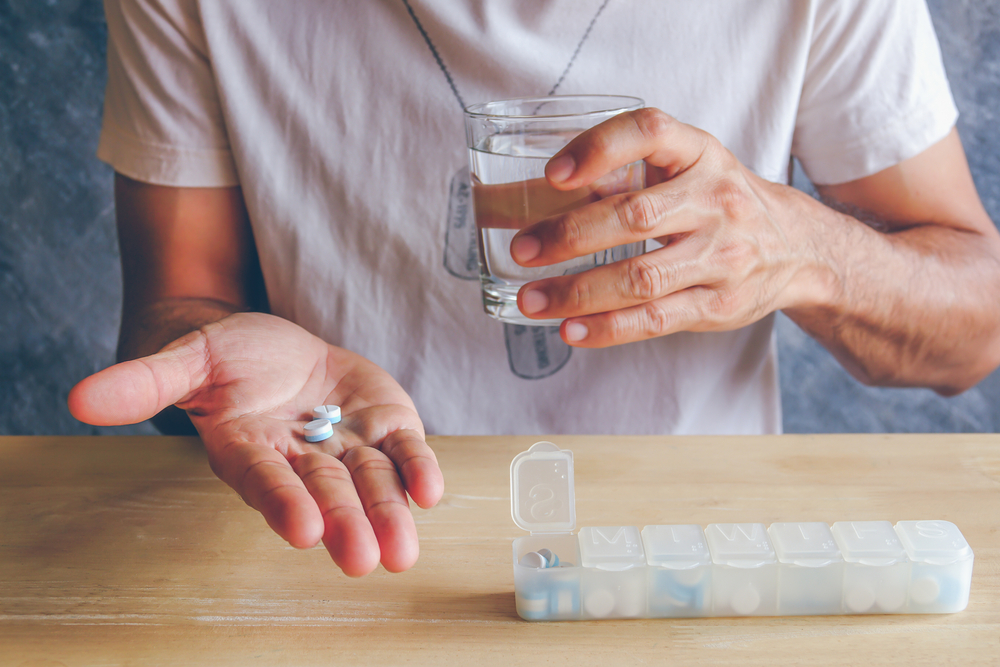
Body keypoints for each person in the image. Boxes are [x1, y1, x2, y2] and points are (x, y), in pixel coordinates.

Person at [68, 0, 1000, 578]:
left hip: (696, 567)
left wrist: (801, 250)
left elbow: (976, 332)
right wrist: (200, 355)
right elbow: (175, 302)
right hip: (347, 550)